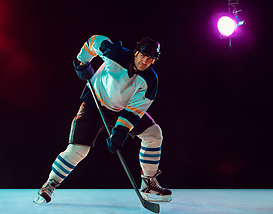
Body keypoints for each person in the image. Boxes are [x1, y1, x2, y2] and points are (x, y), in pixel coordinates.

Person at [34, 35, 172, 204]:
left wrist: (119, 132)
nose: (145, 61)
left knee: (153, 133)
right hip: (94, 106)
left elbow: (134, 111)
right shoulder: (116, 54)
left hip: (120, 112)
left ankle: (148, 183)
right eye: (143, 55)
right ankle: (50, 184)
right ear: (136, 52)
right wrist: (82, 61)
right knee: (78, 150)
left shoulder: (150, 81)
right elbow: (94, 41)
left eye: (150, 59)